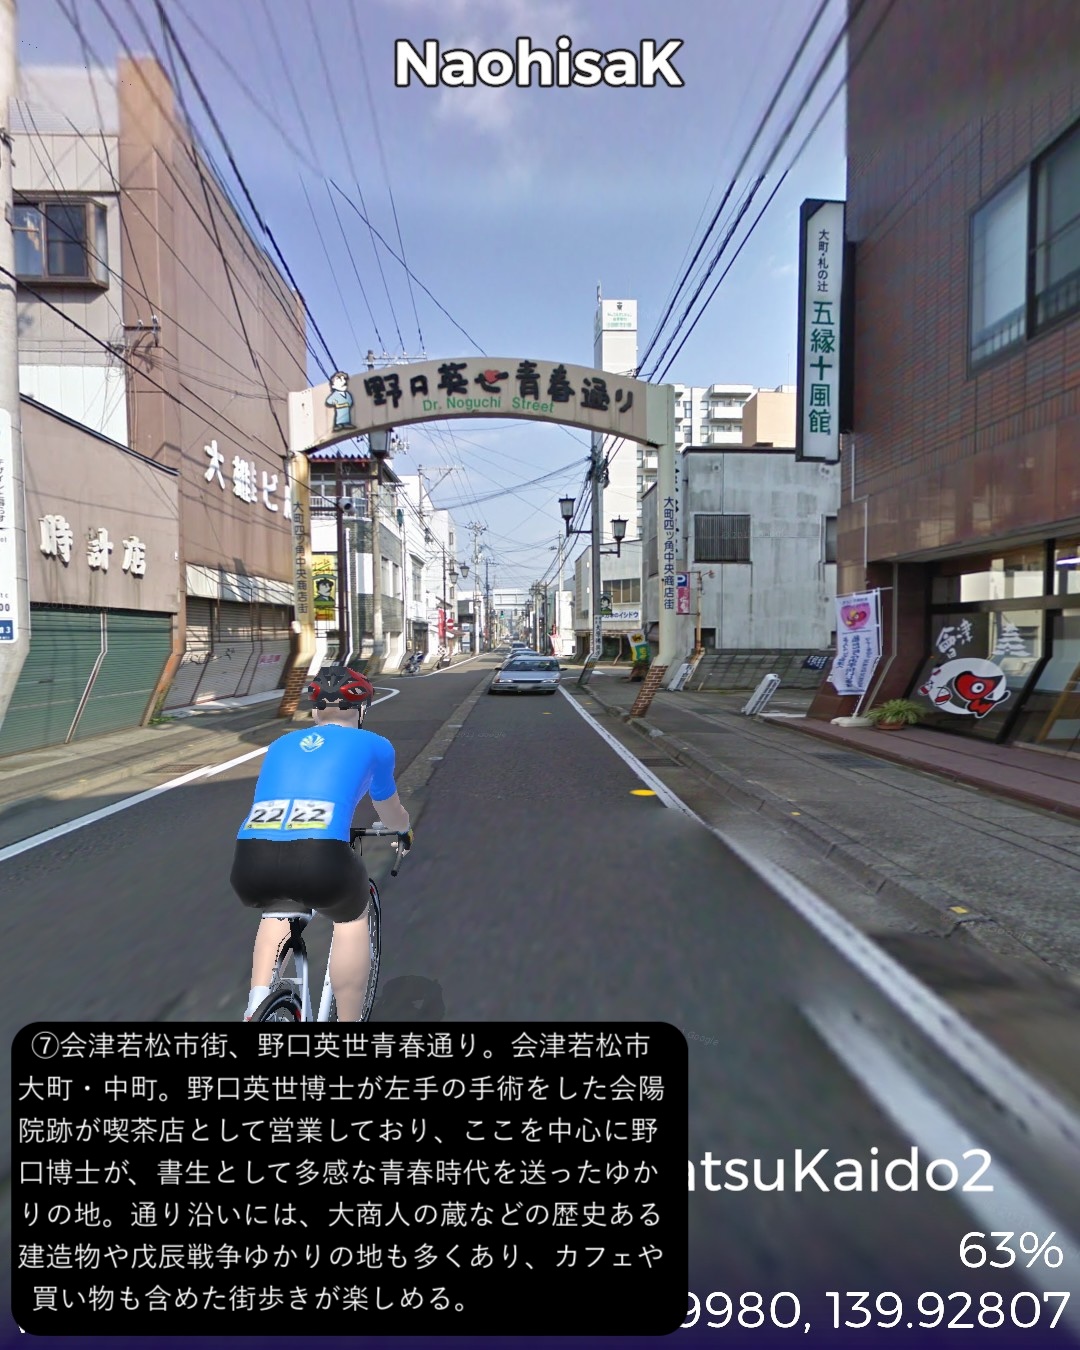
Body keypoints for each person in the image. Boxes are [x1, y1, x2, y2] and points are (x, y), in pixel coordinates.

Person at [230, 664, 413, 1021]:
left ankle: (256, 1004)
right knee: (352, 920)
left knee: (277, 911)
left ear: (315, 711)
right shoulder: (375, 745)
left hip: (251, 856)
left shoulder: (280, 745)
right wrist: (404, 831)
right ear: (361, 710)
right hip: (320, 856)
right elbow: (388, 808)